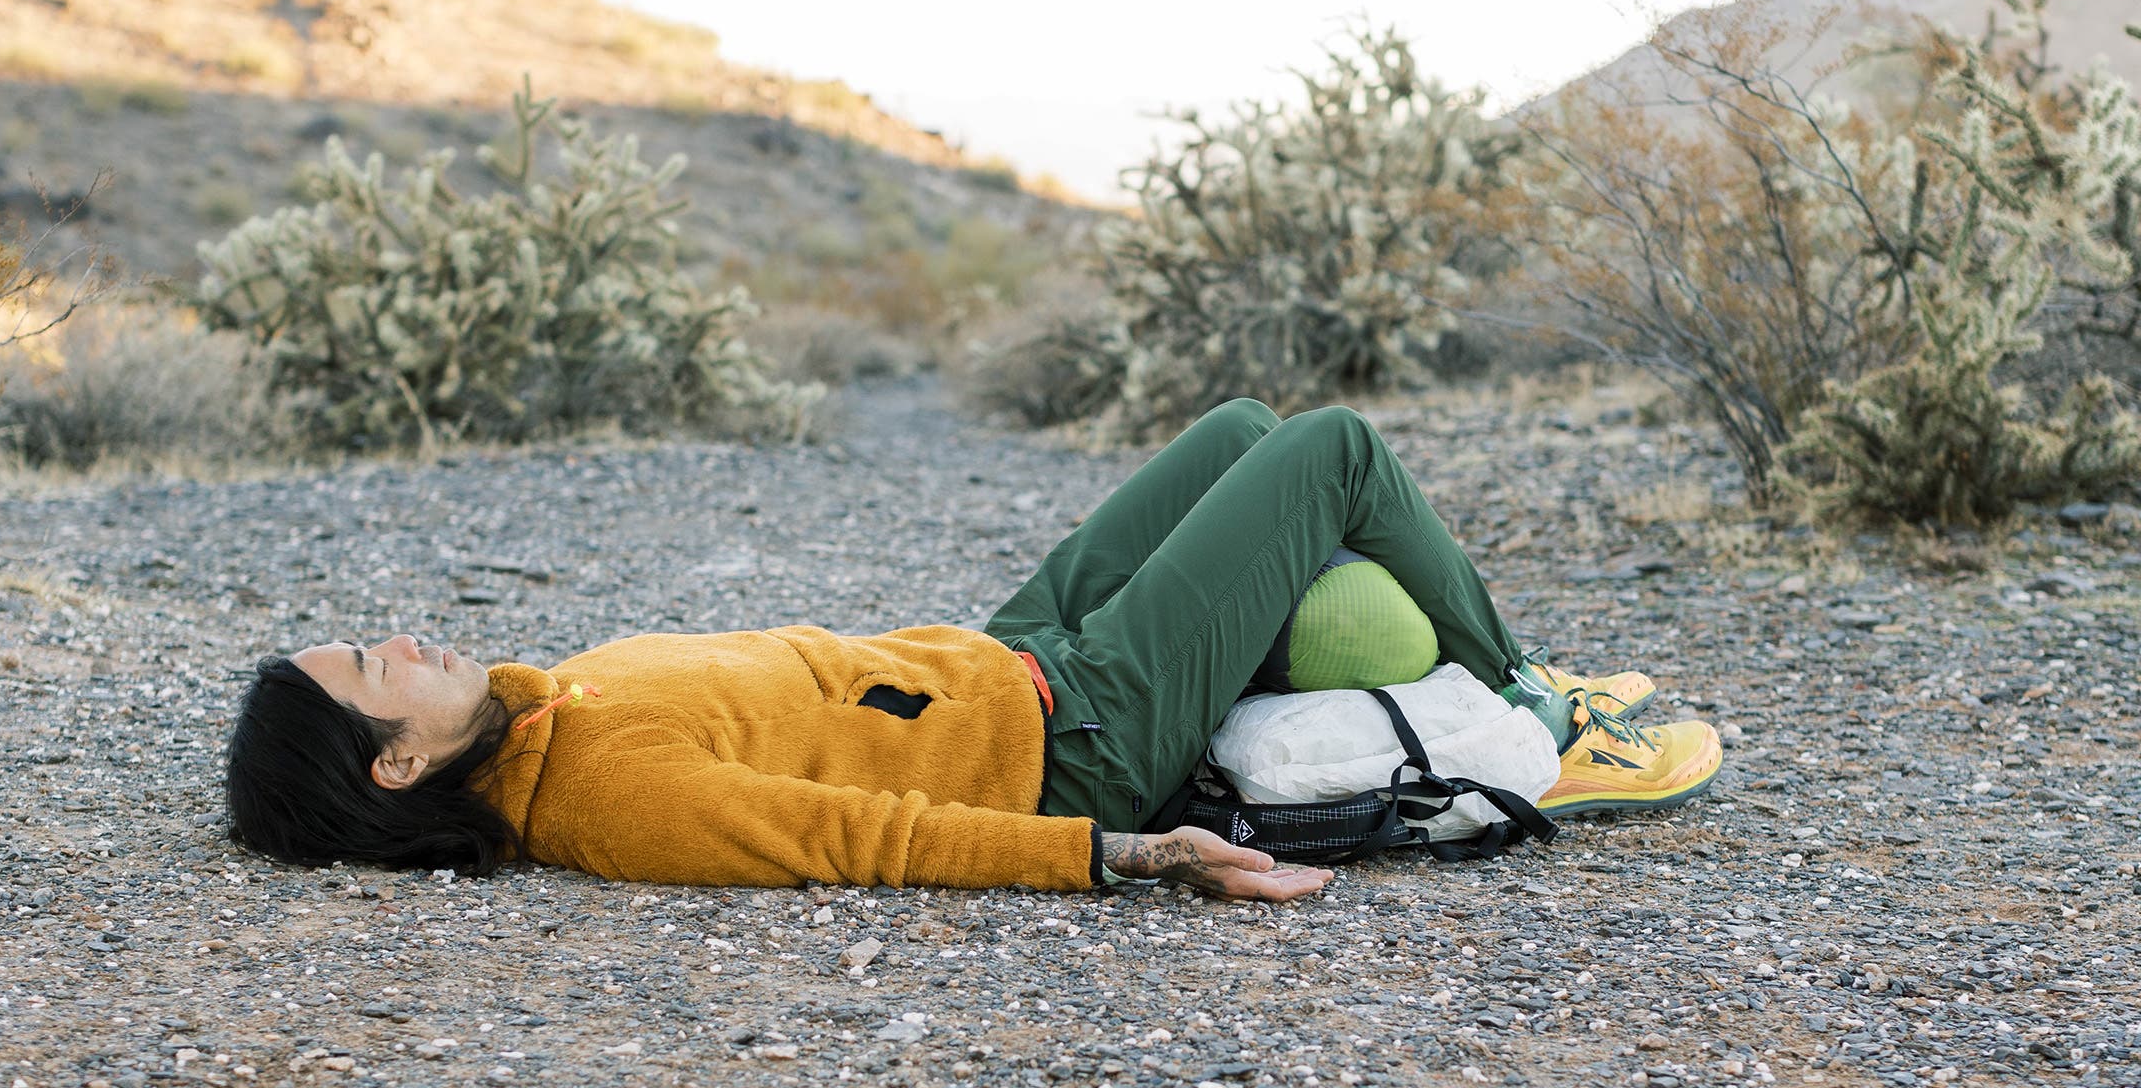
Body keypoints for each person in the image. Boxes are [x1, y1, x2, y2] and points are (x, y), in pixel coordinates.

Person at [224, 400, 1722, 902]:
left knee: (1242, 437)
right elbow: (864, 837)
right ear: (399, 757)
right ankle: (1540, 708)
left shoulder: (553, 706)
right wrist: (1121, 853)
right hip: (1079, 734)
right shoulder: (607, 793)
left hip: (1013, 656)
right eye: (378, 663)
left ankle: (1441, 673)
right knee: (1332, 447)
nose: (408, 637)